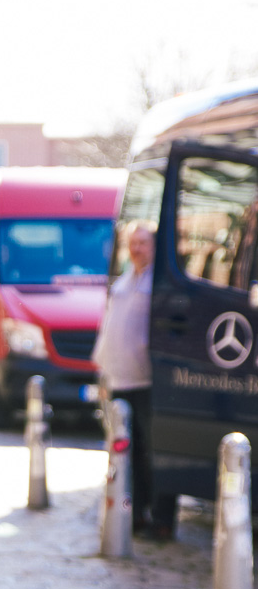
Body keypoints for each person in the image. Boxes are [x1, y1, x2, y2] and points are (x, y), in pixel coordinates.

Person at [93, 221, 167, 535]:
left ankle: (156, 515)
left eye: (143, 243)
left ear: (154, 246)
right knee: (125, 451)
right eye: (133, 243)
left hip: (145, 381)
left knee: (149, 451)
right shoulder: (125, 281)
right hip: (119, 379)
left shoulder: (158, 283)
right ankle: (132, 512)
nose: (137, 249)